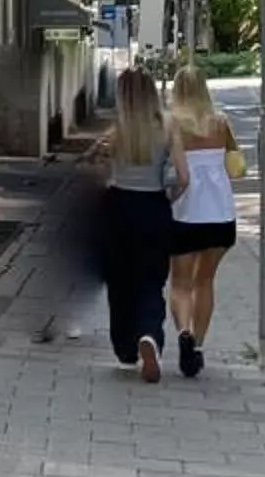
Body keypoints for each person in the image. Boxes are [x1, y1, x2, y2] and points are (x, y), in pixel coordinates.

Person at [166, 64, 242, 378]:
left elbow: (170, 167)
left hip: (186, 213)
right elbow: (235, 161)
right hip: (221, 214)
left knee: (180, 283)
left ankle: (183, 332)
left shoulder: (173, 124)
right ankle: (197, 346)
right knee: (205, 281)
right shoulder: (221, 123)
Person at [102, 67, 175, 383]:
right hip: (154, 206)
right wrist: (169, 198)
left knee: (119, 282)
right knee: (150, 280)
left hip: (118, 207)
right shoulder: (166, 129)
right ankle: (149, 334)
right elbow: (182, 177)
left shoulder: (114, 132)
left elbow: (98, 174)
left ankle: (125, 348)